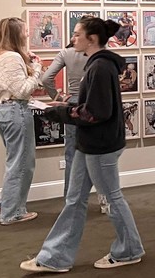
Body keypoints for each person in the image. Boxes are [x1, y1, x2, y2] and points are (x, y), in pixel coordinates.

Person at [20, 17, 145, 273]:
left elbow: (97, 112)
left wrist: (61, 113)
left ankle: (129, 250)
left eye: (77, 35)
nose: (72, 39)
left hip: (101, 143)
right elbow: (92, 109)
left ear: (92, 39)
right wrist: (65, 107)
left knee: (112, 197)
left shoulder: (100, 67)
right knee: (74, 199)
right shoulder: (97, 65)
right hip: (90, 142)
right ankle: (55, 257)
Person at [41, 43, 110, 212]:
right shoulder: (100, 52)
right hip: (94, 106)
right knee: (99, 154)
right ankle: (105, 201)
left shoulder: (66, 53)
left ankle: (70, 202)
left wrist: (58, 97)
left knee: (71, 155)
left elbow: (46, 79)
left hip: (73, 106)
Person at [0, 17, 41, 225]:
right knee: (22, 163)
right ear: (16, 34)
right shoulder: (11, 58)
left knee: (14, 160)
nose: (28, 34)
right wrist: (36, 69)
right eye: (25, 31)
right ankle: (12, 212)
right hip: (14, 110)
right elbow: (22, 90)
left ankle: (4, 203)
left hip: (2, 111)